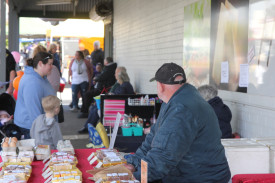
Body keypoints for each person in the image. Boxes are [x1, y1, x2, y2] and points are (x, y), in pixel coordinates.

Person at [124, 63, 231, 182]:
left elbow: (163, 156)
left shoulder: (181, 109)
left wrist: (136, 177)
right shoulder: (177, 101)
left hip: (201, 179)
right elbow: (153, 138)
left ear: (160, 86)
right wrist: (134, 163)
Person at [78, 67, 134, 134]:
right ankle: (89, 126)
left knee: (96, 109)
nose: (114, 75)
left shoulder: (124, 85)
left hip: (120, 107)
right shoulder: (123, 84)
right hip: (119, 105)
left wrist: (110, 95)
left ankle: (88, 127)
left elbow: (118, 97)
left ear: (120, 76)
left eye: (116, 73)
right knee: (94, 108)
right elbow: (118, 95)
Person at [14, 52, 55, 139]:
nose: (52, 67)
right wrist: (43, 131)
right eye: (50, 64)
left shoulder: (40, 77)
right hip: (31, 127)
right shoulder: (32, 82)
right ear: (40, 64)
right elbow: (34, 111)